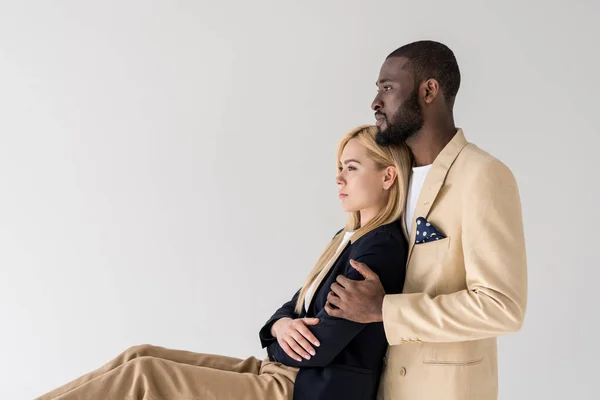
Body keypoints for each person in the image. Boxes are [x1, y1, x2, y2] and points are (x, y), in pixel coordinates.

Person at [35, 125, 412, 400]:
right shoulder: (346, 239)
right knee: (141, 354)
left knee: (144, 375)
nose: (338, 177)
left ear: (387, 176)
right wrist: (280, 325)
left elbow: (321, 346)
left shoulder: (379, 248)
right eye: (340, 167)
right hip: (285, 371)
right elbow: (296, 304)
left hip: (304, 387)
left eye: (351, 167)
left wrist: (280, 343)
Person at [324, 40, 528, 400]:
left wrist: (386, 310)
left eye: (387, 88)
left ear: (429, 90)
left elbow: (502, 306)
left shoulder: (483, 175)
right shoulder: (392, 177)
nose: (375, 102)